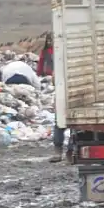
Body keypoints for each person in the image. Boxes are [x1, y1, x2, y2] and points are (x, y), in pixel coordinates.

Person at [35, 33, 67, 162]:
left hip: (62, 90)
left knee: (60, 122)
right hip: (62, 90)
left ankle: (59, 151)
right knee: (60, 122)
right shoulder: (52, 52)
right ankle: (61, 151)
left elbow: (42, 66)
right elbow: (41, 65)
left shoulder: (52, 51)